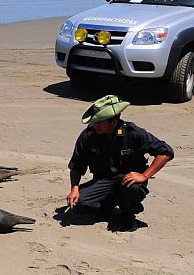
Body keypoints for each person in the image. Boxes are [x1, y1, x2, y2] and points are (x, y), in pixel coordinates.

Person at [66, 95, 174, 231]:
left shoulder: (133, 133)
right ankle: (111, 203)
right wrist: (74, 188)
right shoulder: (88, 135)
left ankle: (128, 213)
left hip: (128, 180)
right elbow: (77, 165)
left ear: (113, 122)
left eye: (100, 122)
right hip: (104, 180)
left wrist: (144, 176)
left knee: (132, 187)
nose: (95, 125)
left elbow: (166, 152)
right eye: (95, 122)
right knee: (82, 203)